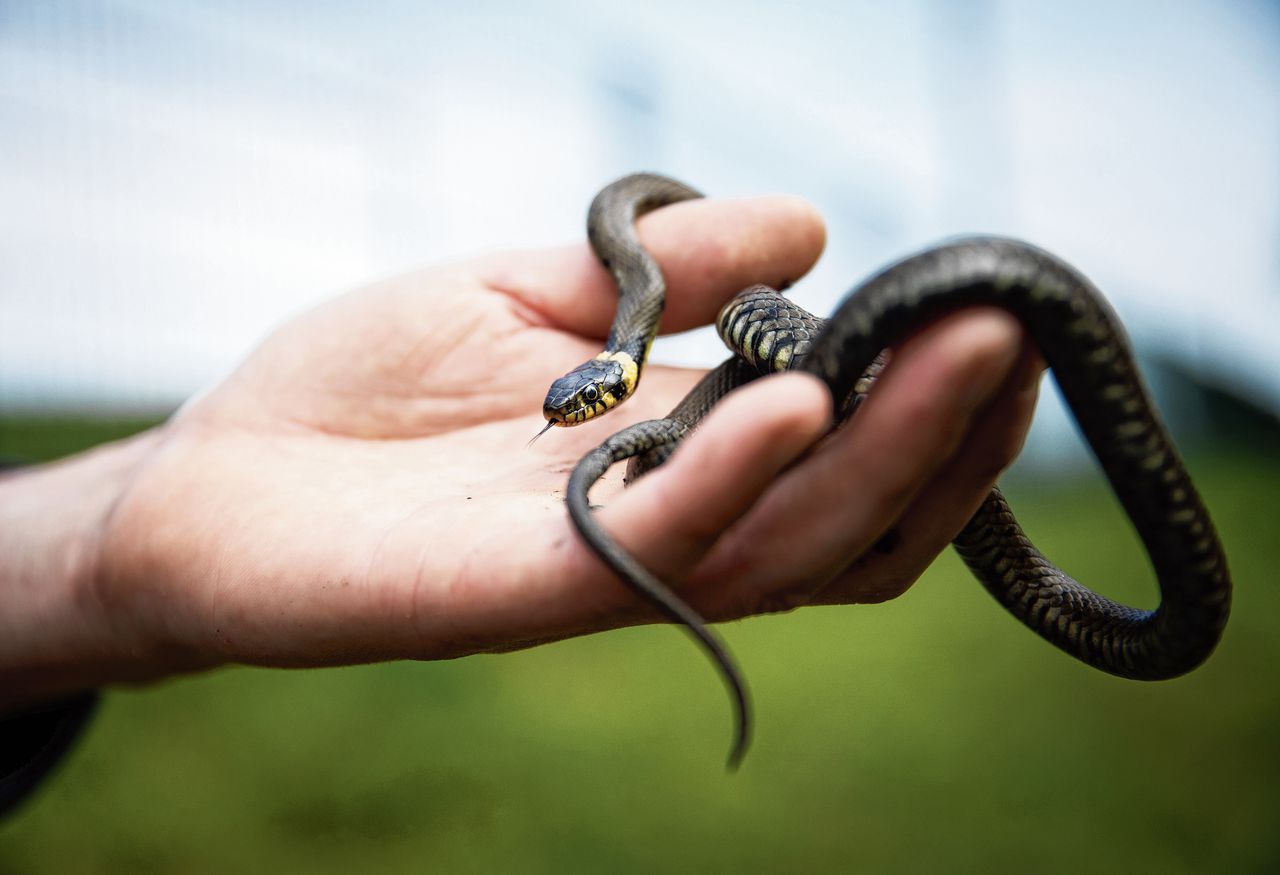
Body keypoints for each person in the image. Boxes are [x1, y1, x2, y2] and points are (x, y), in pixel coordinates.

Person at [0, 193, 1041, 811]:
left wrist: (100, 547)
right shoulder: (619, 346)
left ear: (615, 373)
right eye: (583, 401)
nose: (582, 405)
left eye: (592, 397)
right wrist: (95, 552)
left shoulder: (647, 310)